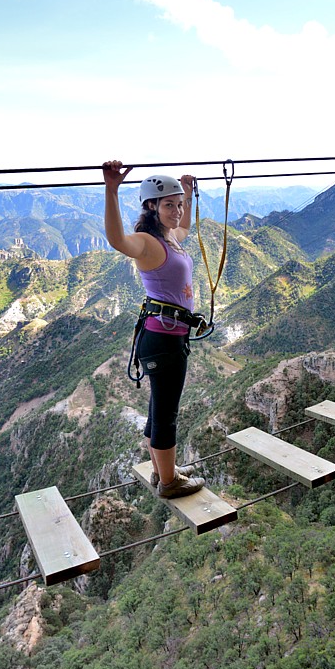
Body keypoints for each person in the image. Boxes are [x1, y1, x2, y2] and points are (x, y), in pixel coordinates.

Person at [103, 160, 206, 499]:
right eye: (169, 205)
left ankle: (165, 469)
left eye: (178, 205)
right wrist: (112, 189)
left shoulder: (170, 238)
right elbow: (117, 240)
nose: (177, 211)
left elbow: (185, 226)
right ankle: (169, 482)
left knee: (158, 407)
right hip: (163, 339)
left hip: (167, 336)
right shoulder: (148, 243)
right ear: (151, 206)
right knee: (166, 412)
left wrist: (187, 192)